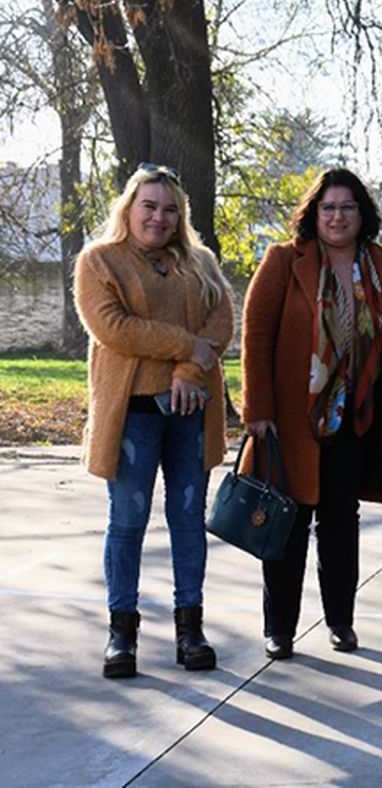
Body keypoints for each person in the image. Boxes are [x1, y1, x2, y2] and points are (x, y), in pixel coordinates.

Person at [240, 168, 382, 660]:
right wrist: (258, 409)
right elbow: (256, 335)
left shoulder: (380, 264)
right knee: (287, 526)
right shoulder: (282, 261)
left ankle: (341, 622)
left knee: (341, 522)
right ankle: (279, 629)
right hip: (292, 419)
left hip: (356, 418)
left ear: (363, 215)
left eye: (348, 207)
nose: (338, 216)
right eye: (328, 207)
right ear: (314, 213)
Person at [74, 164, 233, 679]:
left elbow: (220, 321)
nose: (159, 217)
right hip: (133, 417)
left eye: (170, 209)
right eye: (150, 205)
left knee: (188, 521)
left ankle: (191, 629)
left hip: (191, 413)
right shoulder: (100, 262)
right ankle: (122, 633)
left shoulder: (199, 261)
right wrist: (187, 346)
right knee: (127, 523)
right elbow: (115, 328)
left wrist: (190, 371)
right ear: (129, 207)